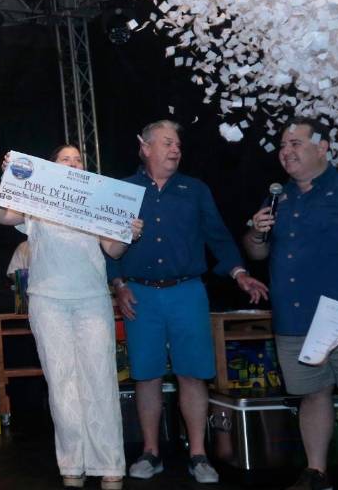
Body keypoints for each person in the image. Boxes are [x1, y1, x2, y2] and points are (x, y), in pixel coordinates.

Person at [108, 119, 268, 484]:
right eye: (166, 143)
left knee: (193, 374)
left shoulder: (195, 190)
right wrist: (118, 283)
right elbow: (106, 244)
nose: (175, 149)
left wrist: (239, 273)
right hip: (140, 293)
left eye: (178, 143)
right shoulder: (121, 190)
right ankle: (151, 451)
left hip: (188, 291)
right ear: (145, 147)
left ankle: (198, 453)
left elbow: (218, 237)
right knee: (146, 376)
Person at [244, 117, 338, 490]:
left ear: (322, 148)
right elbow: (256, 252)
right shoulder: (278, 196)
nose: (286, 152)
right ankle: (316, 472)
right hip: (294, 318)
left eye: (296, 144)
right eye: (283, 146)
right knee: (312, 394)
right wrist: (256, 233)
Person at [0, 145, 142, 490]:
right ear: (51, 166)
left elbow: (113, 249)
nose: (73, 163)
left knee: (100, 380)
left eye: (78, 159)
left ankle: (110, 464)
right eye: (65, 159)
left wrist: (127, 233)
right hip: (48, 300)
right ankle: (72, 463)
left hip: (91, 299)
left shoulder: (99, 199)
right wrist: (10, 177)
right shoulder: (39, 199)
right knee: (62, 383)